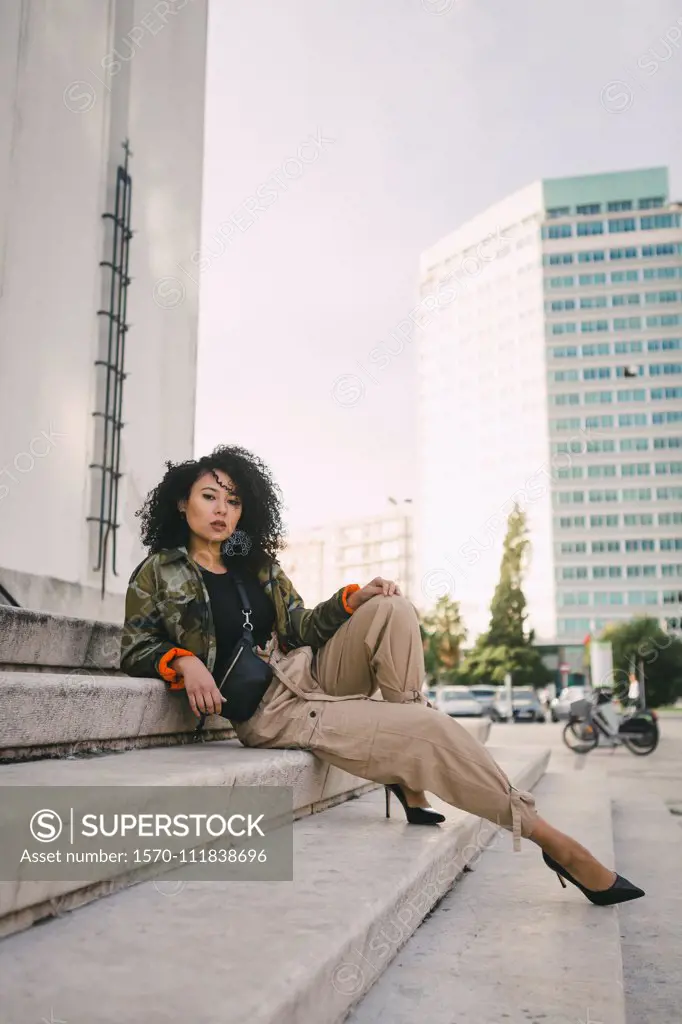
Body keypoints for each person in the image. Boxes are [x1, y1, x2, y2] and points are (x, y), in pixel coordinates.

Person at [120, 445, 644, 906]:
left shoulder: (256, 564)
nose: (222, 510)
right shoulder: (159, 571)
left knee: (394, 609)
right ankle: (555, 843)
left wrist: (355, 598)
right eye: (210, 496)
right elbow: (136, 645)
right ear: (181, 502)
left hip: (307, 669)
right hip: (271, 710)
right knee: (429, 730)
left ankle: (407, 755)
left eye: (233, 501)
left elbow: (302, 625)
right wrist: (182, 661)